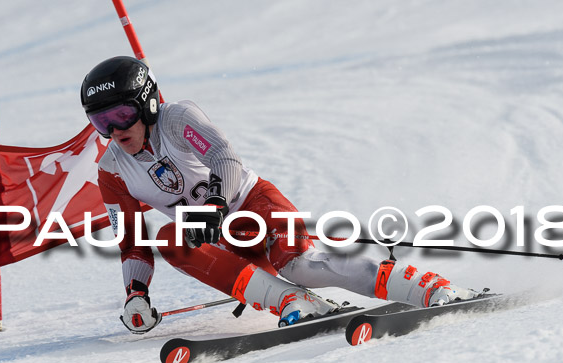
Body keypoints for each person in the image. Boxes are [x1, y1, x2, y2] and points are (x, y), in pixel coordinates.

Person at [80, 56, 480, 334]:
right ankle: (293, 304)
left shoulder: (178, 118)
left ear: (147, 102)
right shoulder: (112, 169)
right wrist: (136, 294)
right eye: (101, 121)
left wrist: (217, 204)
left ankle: (429, 287)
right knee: (170, 240)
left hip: (254, 207)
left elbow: (224, 158)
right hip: (220, 242)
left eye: (121, 115)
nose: (115, 130)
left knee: (299, 265)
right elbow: (131, 241)